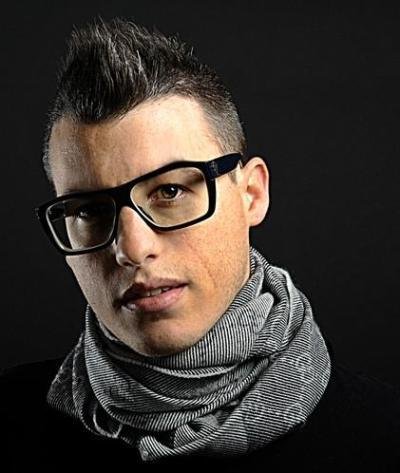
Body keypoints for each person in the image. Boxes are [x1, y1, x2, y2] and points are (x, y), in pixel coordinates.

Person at [1, 16, 399, 472]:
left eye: (170, 191)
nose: (132, 249)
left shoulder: (384, 438)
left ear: (251, 194)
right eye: (90, 212)